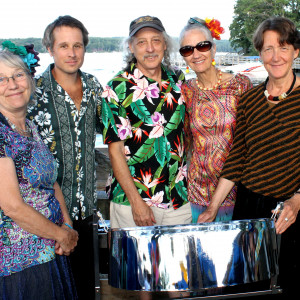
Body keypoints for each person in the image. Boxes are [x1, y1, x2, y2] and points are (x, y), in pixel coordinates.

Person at [197, 17, 300, 298]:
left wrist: (297, 199)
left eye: (283, 47)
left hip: (294, 207)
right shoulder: (250, 99)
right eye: (267, 49)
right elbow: (238, 156)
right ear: (260, 54)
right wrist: (213, 207)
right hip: (250, 206)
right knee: (247, 286)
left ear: (296, 51)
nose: (275, 56)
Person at [27, 15, 103, 299]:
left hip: (84, 213)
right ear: (50, 49)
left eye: (78, 45)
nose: (71, 53)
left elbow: (114, 132)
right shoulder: (32, 92)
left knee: (84, 289)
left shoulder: (95, 87)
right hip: (46, 215)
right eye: (63, 46)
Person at [0, 45, 78, 299]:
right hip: (19, 264)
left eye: (18, 75)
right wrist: (61, 235)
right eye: (1, 79)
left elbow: (51, 182)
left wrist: (66, 225)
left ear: (30, 79)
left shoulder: (31, 127)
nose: (12, 84)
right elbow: (12, 206)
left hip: (50, 251)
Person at [101, 15, 191, 229]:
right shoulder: (116, 87)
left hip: (179, 198)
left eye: (156, 40)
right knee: (135, 263)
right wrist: (136, 202)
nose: (150, 48)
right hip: (134, 201)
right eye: (141, 42)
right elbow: (115, 151)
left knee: (179, 263)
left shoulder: (178, 79)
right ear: (131, 47)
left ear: (165, 44)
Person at [179, 17, 252, 223]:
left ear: (213, 48)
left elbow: (250, 141)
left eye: (202, 45)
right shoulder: (186, 90)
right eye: (187, 49)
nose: (196, 54)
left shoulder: (240, 85)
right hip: (196, 192)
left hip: (236, 189)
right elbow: (184, 140)